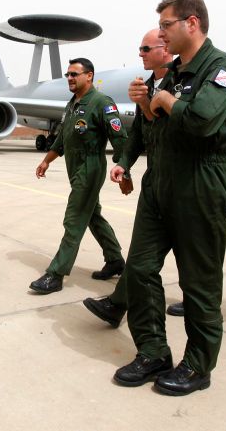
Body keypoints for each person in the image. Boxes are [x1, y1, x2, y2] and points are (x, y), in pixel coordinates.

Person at [114, 0, 226, 396]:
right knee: (138, 269)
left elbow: (203, 120)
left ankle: (198, 365)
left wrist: (165, 100)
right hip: (160, 182)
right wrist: (148, 103)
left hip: (197, 181)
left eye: (166, 25)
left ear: (192, 23)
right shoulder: (170, 74)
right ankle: (153, 350)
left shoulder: (220, 67)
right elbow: (154, 125)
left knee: (199, 282)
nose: (161, 34)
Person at [82, 29, 185, 327]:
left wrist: (146, 102)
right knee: (142, 254)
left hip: (183, 179)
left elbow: (177, 126)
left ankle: (192, 301)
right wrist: (124, 163)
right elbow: (140, 133)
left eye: (145, 48)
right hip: (156, 179)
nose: (139, 53)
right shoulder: (149, 84)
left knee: (187, 253)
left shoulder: (181, 82)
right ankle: (117, 305)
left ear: (165, 49)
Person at [30, 58, 127, 294]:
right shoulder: (72, 104)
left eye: (75, 74)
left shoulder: (102, 103)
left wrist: (125, 170)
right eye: (68, 75)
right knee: (92, 216)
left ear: (89, 76)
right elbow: (62, 139)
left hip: (90, 168)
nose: (70, 78)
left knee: (74, 219)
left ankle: (56, 274)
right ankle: (114, 259)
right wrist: (46, 161)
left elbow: (120, 139)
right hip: (74, 168)